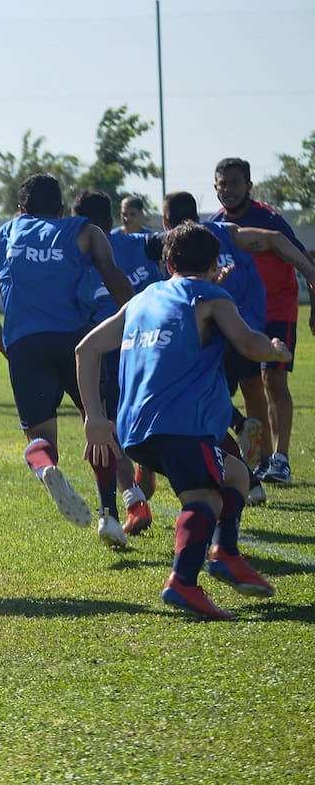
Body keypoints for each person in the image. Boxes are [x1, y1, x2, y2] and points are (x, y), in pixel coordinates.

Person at [77, 221, 290, 619]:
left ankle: (225, 552)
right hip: (180, 424)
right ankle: (183, 583)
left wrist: (93, 416)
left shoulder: (141, 300)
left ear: (166, 263)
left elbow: (86, 349)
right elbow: (248, 342)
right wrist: (276, 350)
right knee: (205, 497)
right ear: (215, 263)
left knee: (237, 476)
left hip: (135, 431)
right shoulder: (210, 296)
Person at [0, 173, 134, 547]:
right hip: (79, 342)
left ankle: (45, 467)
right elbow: (118, 283)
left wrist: (11, 351)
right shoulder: (85, 231)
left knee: (41, 439)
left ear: (20, 209)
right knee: (97, 424)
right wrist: (137, 323)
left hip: (26, 344)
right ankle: (109, 515)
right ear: (61, 209)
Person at [151, 190, 315, 507]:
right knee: (253, 388)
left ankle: (244, 463)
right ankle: (265, 460)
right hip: (248, 326)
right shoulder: (225, 231)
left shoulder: (169, 245)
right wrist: (307, 270)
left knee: (206, 406)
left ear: (166, 220)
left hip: (210, 333)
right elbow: (275, 239)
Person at [210, 157, 314, 486]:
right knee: (249, 384)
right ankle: (262, 457)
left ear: (249, 186)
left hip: (278, 310)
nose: (228, 190)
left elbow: (301, 260)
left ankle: (281, 459)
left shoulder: (269, 219)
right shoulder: (215, 226)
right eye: (222, 184)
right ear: (215, 187)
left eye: (235, 183)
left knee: (273, 380)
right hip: (240, 316)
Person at [71, 191, 161, 535]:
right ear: (111, 220)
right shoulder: (139, 243)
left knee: (101, 425)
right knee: (146, 415)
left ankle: (132, 501)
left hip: (101, 349)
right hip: (146, 345)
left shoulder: (74, 255)